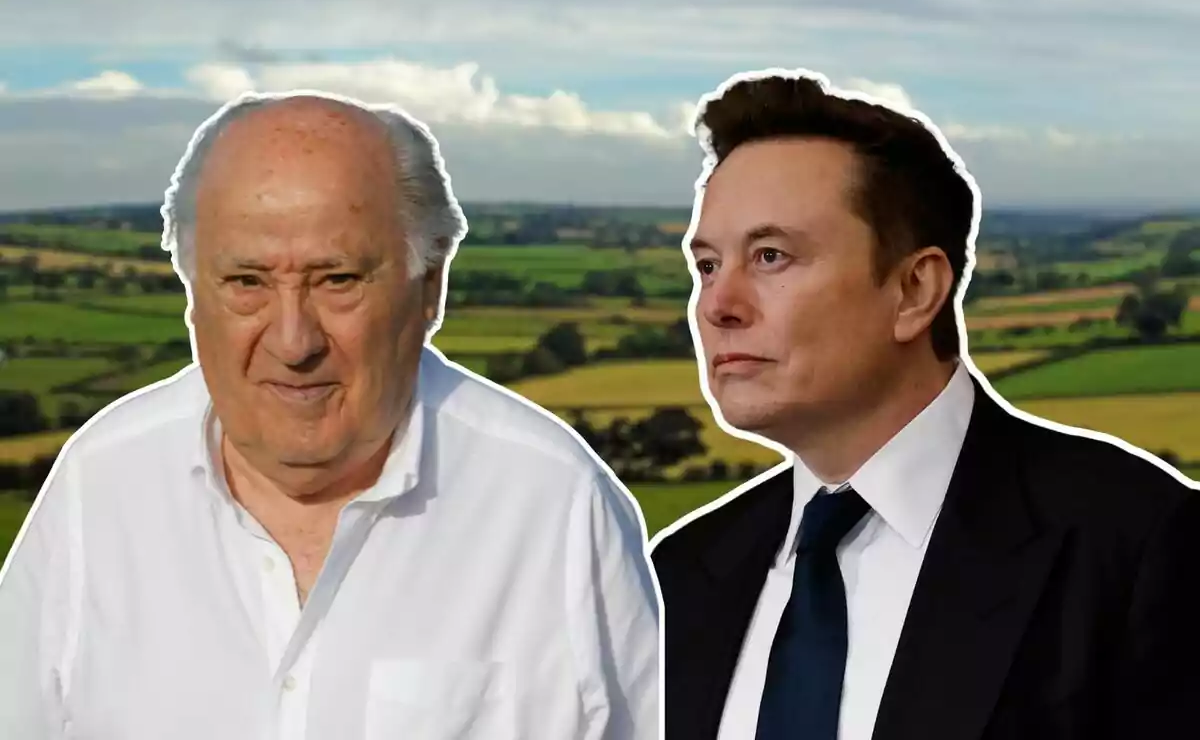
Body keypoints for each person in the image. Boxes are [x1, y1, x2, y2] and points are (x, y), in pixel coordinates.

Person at [0, 91, 661, 740]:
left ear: (429, 288)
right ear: (192, 291)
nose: (294, 342)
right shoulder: (99, 486)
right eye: (247, 282)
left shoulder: (555, 505)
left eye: (336, 279)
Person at [649, 69, 1200, 739]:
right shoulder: (679, 574)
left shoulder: (1137, 543)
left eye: (771, 256)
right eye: (706, 264)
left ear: (914, 289)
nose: (716, 305)